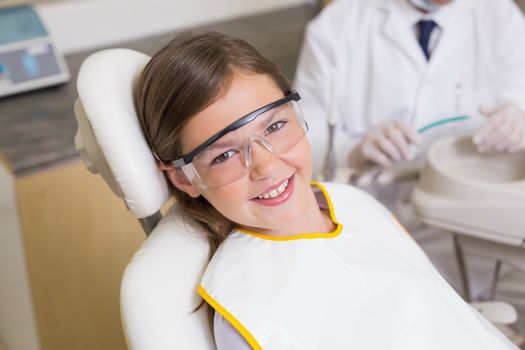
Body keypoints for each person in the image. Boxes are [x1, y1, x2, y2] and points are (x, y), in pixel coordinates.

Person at [133, 31, 518, 349]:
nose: (266, 165)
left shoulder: (352, 204)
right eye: (225, 155)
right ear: (184, 178)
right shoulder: (247, 310)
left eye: (274, 127)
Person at [294, 0, 525, 224]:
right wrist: (354, 151)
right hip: (372, 218)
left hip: (470, 219)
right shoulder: (336, 26)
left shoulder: (501, 15)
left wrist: (518, 119)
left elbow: (519, 97)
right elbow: (301, 135)